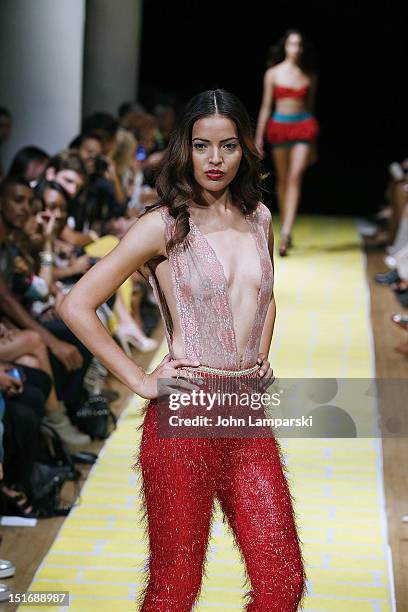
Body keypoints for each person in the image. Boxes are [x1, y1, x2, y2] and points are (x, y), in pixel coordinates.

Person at [58, 89, 307, 611]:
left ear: (245, 150)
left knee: (282, 583)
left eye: (228, 146)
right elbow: (76, 304)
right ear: (185, 150)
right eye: (202, 146)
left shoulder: (259, 217)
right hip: (183, 421)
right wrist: (141, 381)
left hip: (246, 418)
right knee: (174, 590)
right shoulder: (164, 225)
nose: (215, 160)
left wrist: (259, 358)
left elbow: (267, 297)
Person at [255, 29, 319, 256]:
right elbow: (266, 106)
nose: (295, 49)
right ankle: (285, 226)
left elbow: (310, 107)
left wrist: (314, 145)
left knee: (295, 176)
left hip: (303, 126)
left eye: (299, 45)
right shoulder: (273, 73)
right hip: (280, 126)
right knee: (283, 179)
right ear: (285, 46)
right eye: (292, 44)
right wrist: (258, 137)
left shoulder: (309, 76)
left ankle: (288, 232)